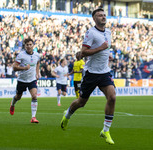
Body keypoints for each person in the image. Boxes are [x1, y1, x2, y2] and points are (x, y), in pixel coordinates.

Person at [60, 8, 116, 145]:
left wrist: (107, 54)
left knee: (112, 97)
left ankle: (105, 131)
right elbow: (83, 52)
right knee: (81, 102)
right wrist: (101, 49)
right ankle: (67, 115)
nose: (103, 17)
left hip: (104, 72)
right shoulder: (91, 33)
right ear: (94, 18)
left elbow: (104, 48)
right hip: (91, 73)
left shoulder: (108, 32)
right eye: (100, 15)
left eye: (104, 15)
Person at [9, 38, 40, 123]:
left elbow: (38, 63)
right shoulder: (21, 55)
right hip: (22, 80)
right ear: (25, 46)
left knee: (34, 96)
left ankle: (33, 117)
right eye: (27, 45)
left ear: (33, 45)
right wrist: (24, 68)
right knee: (18, 97)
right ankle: (12, 104)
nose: (29, 46)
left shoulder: (37, 55)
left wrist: (37, 73)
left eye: (30, 44)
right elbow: (14, 67)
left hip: (32, 80)